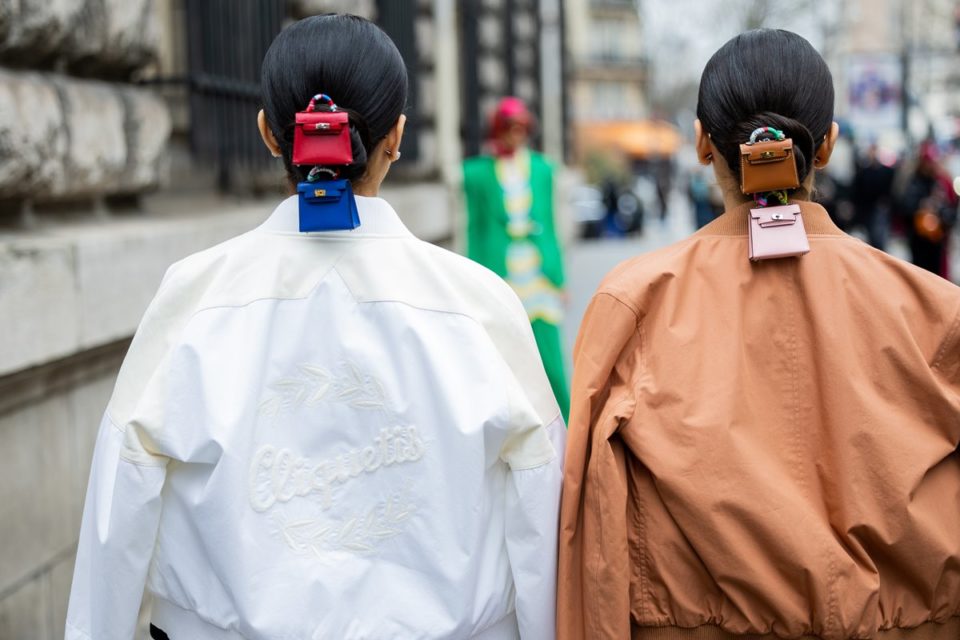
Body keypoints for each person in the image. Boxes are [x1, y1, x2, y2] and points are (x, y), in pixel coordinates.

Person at [66, 15, 564, 640]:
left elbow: (119, 508)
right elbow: (544, 507)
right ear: (397, 137)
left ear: (270, 136)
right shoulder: (480, 305)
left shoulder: (192, 297)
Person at [558, 29, 960, 640]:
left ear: (700, 142)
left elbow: (590, 516)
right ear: (824, 146)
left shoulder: (633, 301)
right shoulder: (936, 311)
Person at [463, 97, 570, 420]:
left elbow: (550, 225)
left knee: (551, 359)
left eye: (522, 128)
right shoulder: (476, 175)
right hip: (502, 274)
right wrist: (473, 283)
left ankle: (569, 428)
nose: (517, 134)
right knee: (505, 359)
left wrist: (560, 277)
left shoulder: (542, 169)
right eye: (510, 127)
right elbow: (475, 229)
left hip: (540, 274)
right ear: (498, 129)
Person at [899, 141, 957, 278]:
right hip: (918, 240)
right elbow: (904, 208)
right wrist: (921, 206)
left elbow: (951, 211)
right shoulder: (913, 181)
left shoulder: (942, 182)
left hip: (937, 240)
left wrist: (939, 210)